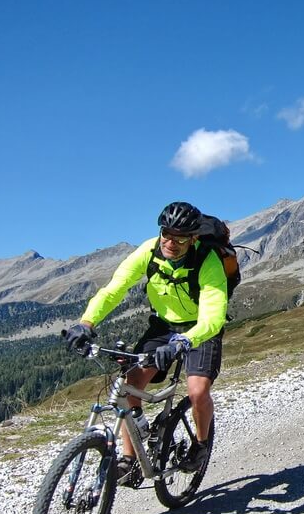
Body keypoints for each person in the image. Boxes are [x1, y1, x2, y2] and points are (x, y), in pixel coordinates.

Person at [64, 201, 227, 477]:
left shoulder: (207, 262)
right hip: (162, 325)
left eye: (180, 238)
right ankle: (130, 459)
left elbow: (213, 317)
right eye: (166, 234)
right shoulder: (149, 251)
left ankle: (200, 445)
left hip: (199, 329)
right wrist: (86, 323)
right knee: (129, 387)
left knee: (198, 391)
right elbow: (113, 290)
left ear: (194, 238)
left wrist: (184, 342)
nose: (171, 243)